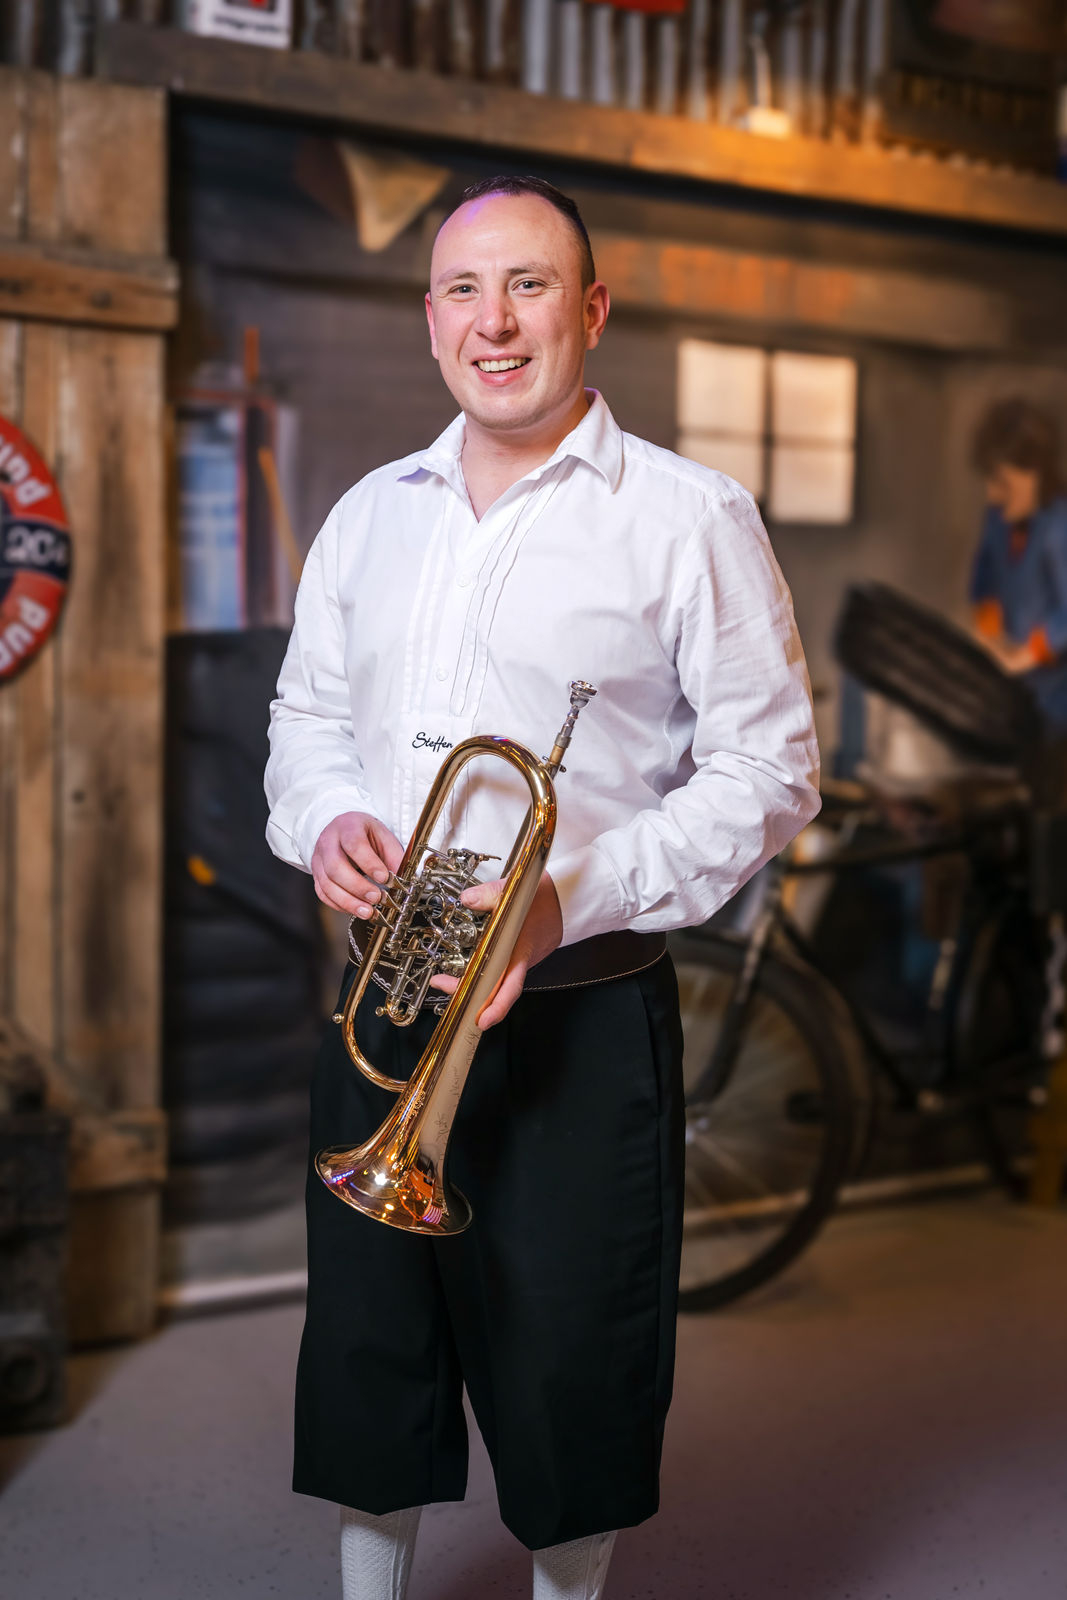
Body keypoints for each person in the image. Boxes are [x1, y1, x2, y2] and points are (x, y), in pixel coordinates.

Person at [265, 175, 820, 1600]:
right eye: (463, 289)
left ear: (590, 309)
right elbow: (306, 721)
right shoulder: (367, 517)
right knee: (368, 1356)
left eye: (527, 286)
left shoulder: (688, 517)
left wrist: (568, 893)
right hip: (387, 1007)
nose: (494, 322)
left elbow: (768, 772)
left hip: (579, 1014)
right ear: (429, 317)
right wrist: (324, 816)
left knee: (576, 1368)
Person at [970, 397, 1067, 727]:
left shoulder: (1058, 525)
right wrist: (989, 629)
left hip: (1057, 697)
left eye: (1002, 481)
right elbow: (984, 575)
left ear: (1033, 474)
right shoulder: (997, 519)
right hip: (1014, 692)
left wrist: (1029, 653)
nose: (993, 494)